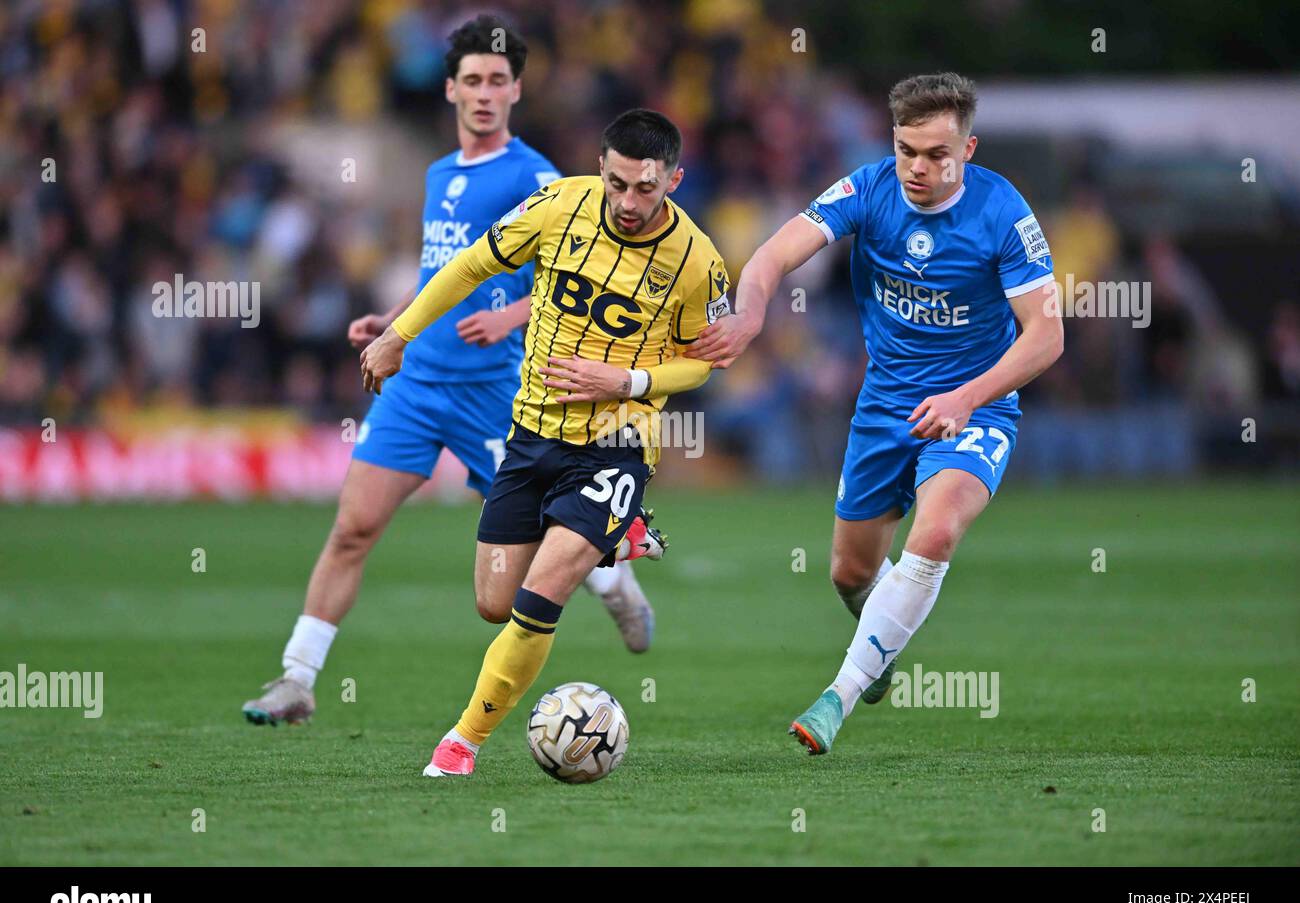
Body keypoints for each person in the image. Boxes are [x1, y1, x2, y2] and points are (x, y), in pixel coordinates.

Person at [242, 15, 655, 728]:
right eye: (473, 80)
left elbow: (586, 273)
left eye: (498, 81)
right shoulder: (438, 173)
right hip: (417, 384)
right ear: (450, 88)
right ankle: (298, 680)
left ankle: (609, 577)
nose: (485, 93)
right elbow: (445, 272)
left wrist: (514, 314)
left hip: (497, 391)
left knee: (536, 551)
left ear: (516, 90)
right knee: (352, 528)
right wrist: (397, 323)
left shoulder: (537, 175)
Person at [689, 73, 1064, 755]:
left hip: (973, 410)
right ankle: (879, 641)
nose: (917, 168)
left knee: (938, 529)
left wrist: (967, 397)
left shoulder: (1003, 213)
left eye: (936, 154)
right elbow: (773, 254)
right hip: (884, 407)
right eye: (905, 150)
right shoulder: (867, 190)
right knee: (851, 574)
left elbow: (1046, 334)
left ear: (969, 149)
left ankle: (839, 693)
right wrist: (748, 313)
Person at [359, 108, 731, 777]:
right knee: (492, 603)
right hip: (530, 434)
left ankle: (460, 745)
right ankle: (616, 542)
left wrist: (627, 378)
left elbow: (705, 360)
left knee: (540, 596)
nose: (627, 202)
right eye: (617, 183)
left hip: (618, 441)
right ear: (601, 167)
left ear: (674, 179)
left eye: (646, 188)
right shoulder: (558, 205)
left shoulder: (699, 262)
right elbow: (470, 266)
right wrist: (399, 334)